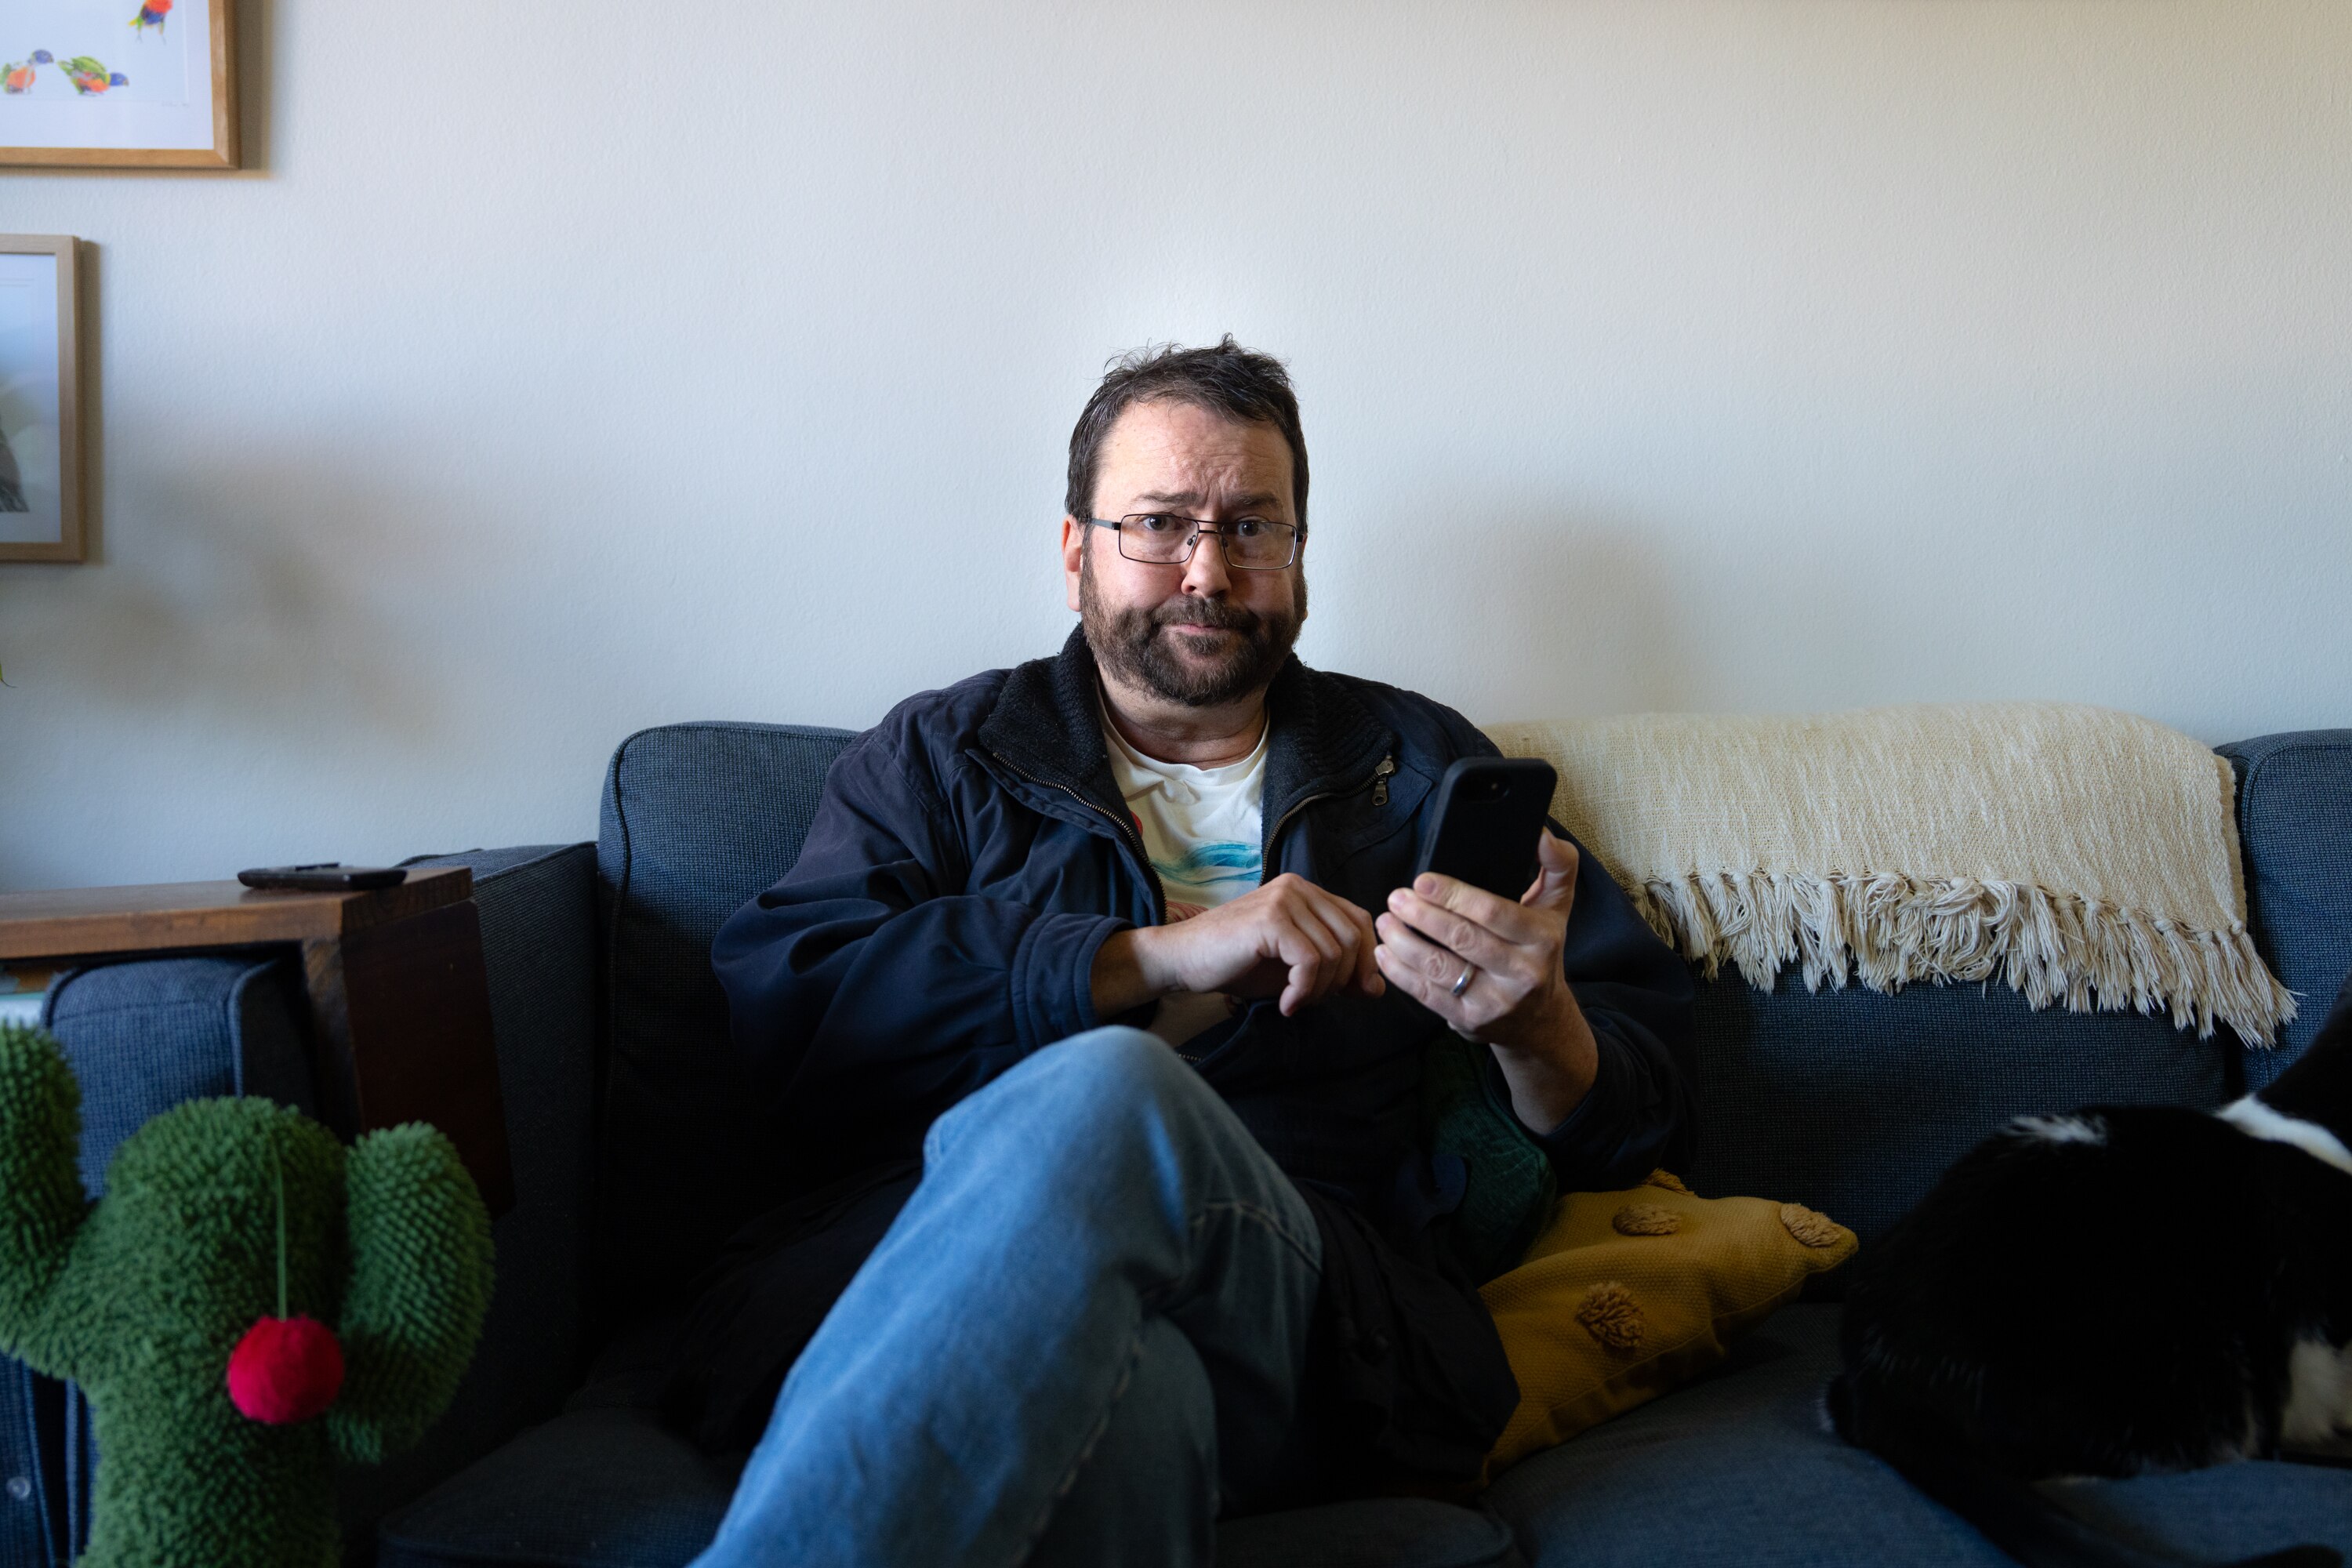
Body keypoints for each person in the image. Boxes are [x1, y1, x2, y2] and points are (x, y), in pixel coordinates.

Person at [678, 339, 1696, 1568]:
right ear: (1075, 555)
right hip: (919, 1258)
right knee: (1136, 1398)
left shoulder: (1419, 766)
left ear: (1300, 558)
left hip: (1317, 1305)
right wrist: (1147, 960)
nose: (1207, 572)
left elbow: (1658, 1099)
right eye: (1159, 524)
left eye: (1253, 528)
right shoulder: (943, 756)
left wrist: (1543, 1033)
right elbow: (786, 1015)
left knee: (1118, 1101)